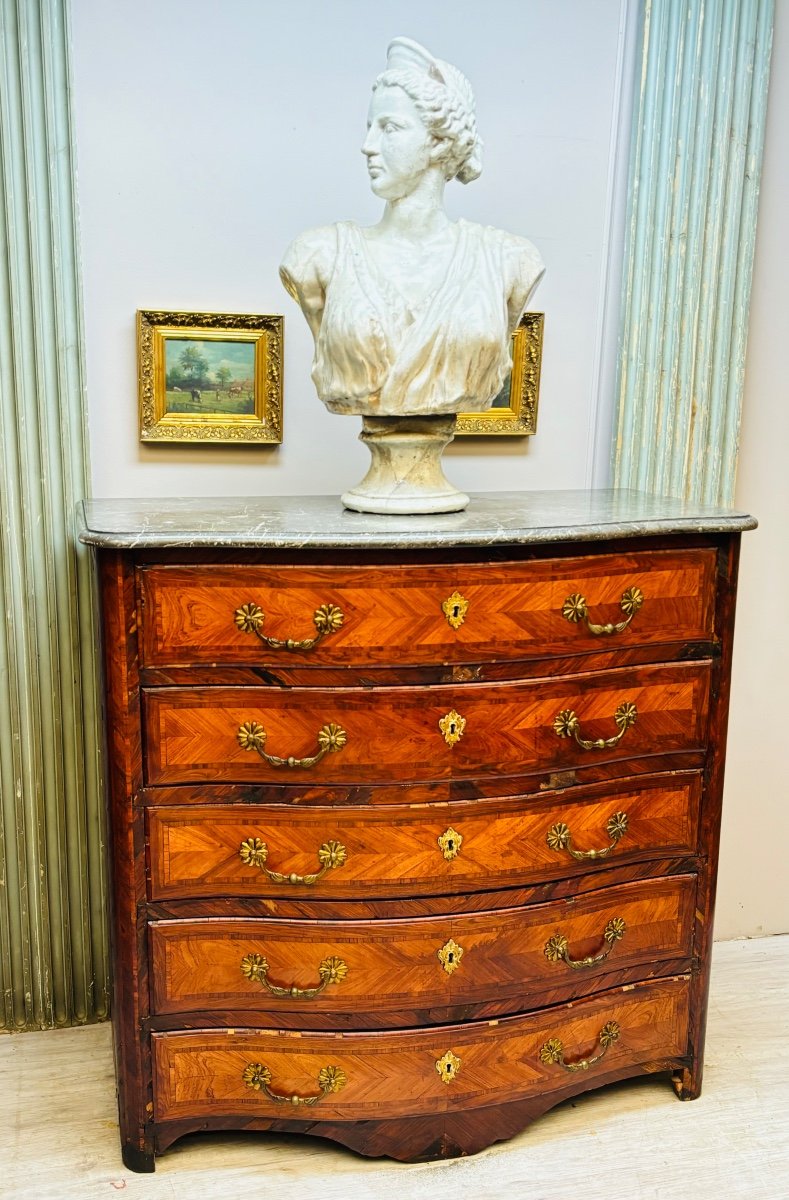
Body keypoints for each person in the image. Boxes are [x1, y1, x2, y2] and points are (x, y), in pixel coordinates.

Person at [280, 36, 544, 417]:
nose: (368, 145)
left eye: (390, 128)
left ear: (439, 141)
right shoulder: (318, 255)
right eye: (370, 127)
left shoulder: (509, 260)